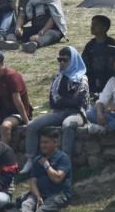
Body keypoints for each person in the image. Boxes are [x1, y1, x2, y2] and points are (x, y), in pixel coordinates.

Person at [21, 46, 89, 174]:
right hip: (59, 112)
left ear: (73, 61)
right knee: (32, 125)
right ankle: (31, 160)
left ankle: (65, 162)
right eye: (59, 60)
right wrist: (65, 100)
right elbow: (53, 101)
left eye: (65, 60)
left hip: (77, 113)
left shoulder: (81, 78)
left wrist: (63, 101)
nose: (62, 63)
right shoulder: (59, 78)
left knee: (67, 125)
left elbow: (78, 102)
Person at [20, 129, 72, 212]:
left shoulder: (63, 158)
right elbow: (32, 181)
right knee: (26, 204)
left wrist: (46, 165)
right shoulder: (37, 159)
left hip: (58, 194)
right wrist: (38, 196)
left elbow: (57, 179)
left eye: (46, 142)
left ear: (55, 143)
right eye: (41, 142)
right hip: (41, 193)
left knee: (42, 211)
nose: (42, 145)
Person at [80, 15, 115, 98]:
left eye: (96, 24)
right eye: (92, 24)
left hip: (110, 82)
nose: (92, 27)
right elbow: (84, 64)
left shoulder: (113, 44)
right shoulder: (90, 45)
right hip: (92, 82)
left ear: (104, 28)